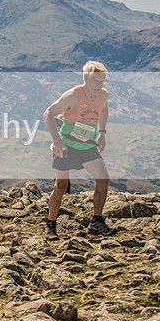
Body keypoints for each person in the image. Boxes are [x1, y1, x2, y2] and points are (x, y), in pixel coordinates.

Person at [43, 61, 114, 239]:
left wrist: (102, 132)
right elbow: (48, 113)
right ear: (86, 78)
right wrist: (57, 141)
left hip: (88, 145)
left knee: (103, 179)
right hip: (66, 146)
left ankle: (96, 222)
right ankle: (50, 224)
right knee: (61, 186)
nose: (99, 85)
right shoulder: (73, 96)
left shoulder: (103, 95)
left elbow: (104, 110)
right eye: (96, 81)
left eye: (103, 81)